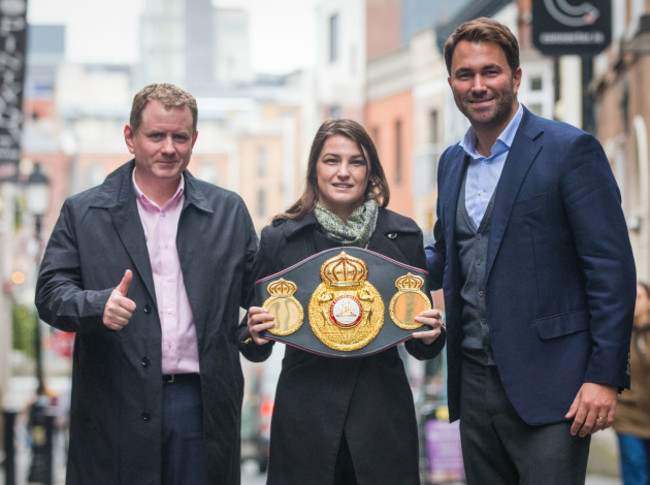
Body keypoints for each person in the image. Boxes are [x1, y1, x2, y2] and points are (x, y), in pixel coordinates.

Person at [425, 17, 636, 484]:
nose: (478, 85)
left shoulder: (569, 150)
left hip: (556, 387)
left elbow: (611, 270)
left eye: (491, 72)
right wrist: (375, 259)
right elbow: (444, 255)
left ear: (516, 77)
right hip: (474, 385)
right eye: (466, 75)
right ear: (452, 84)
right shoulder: (451, 163)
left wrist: (604, 376)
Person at [35, 83, 257, 485]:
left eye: (179, 137)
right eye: (156, 135)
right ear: (130, 138)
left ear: (194, 140)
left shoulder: (229, 213)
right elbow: (50, 293)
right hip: (114, 407)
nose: (168, 148)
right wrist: (96, 305)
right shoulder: (83, 212)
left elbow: (259, 302)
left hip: (201, 406)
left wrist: (252, 335)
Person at [242, 118, 445, 484]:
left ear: (371, 172)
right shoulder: (279, 239)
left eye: (356, 162)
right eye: (332, 160)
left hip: (382, 419)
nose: (343, 172)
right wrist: (253, 336)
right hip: (306, 422)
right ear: (314, 169)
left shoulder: (404, 235)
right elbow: (252, 338)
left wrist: (433, 336)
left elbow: (421, 343)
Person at [614, 281, 650, 485]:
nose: (634, 302)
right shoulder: (618, 334)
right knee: (636, 473)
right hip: (628, 417)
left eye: (639, 297)